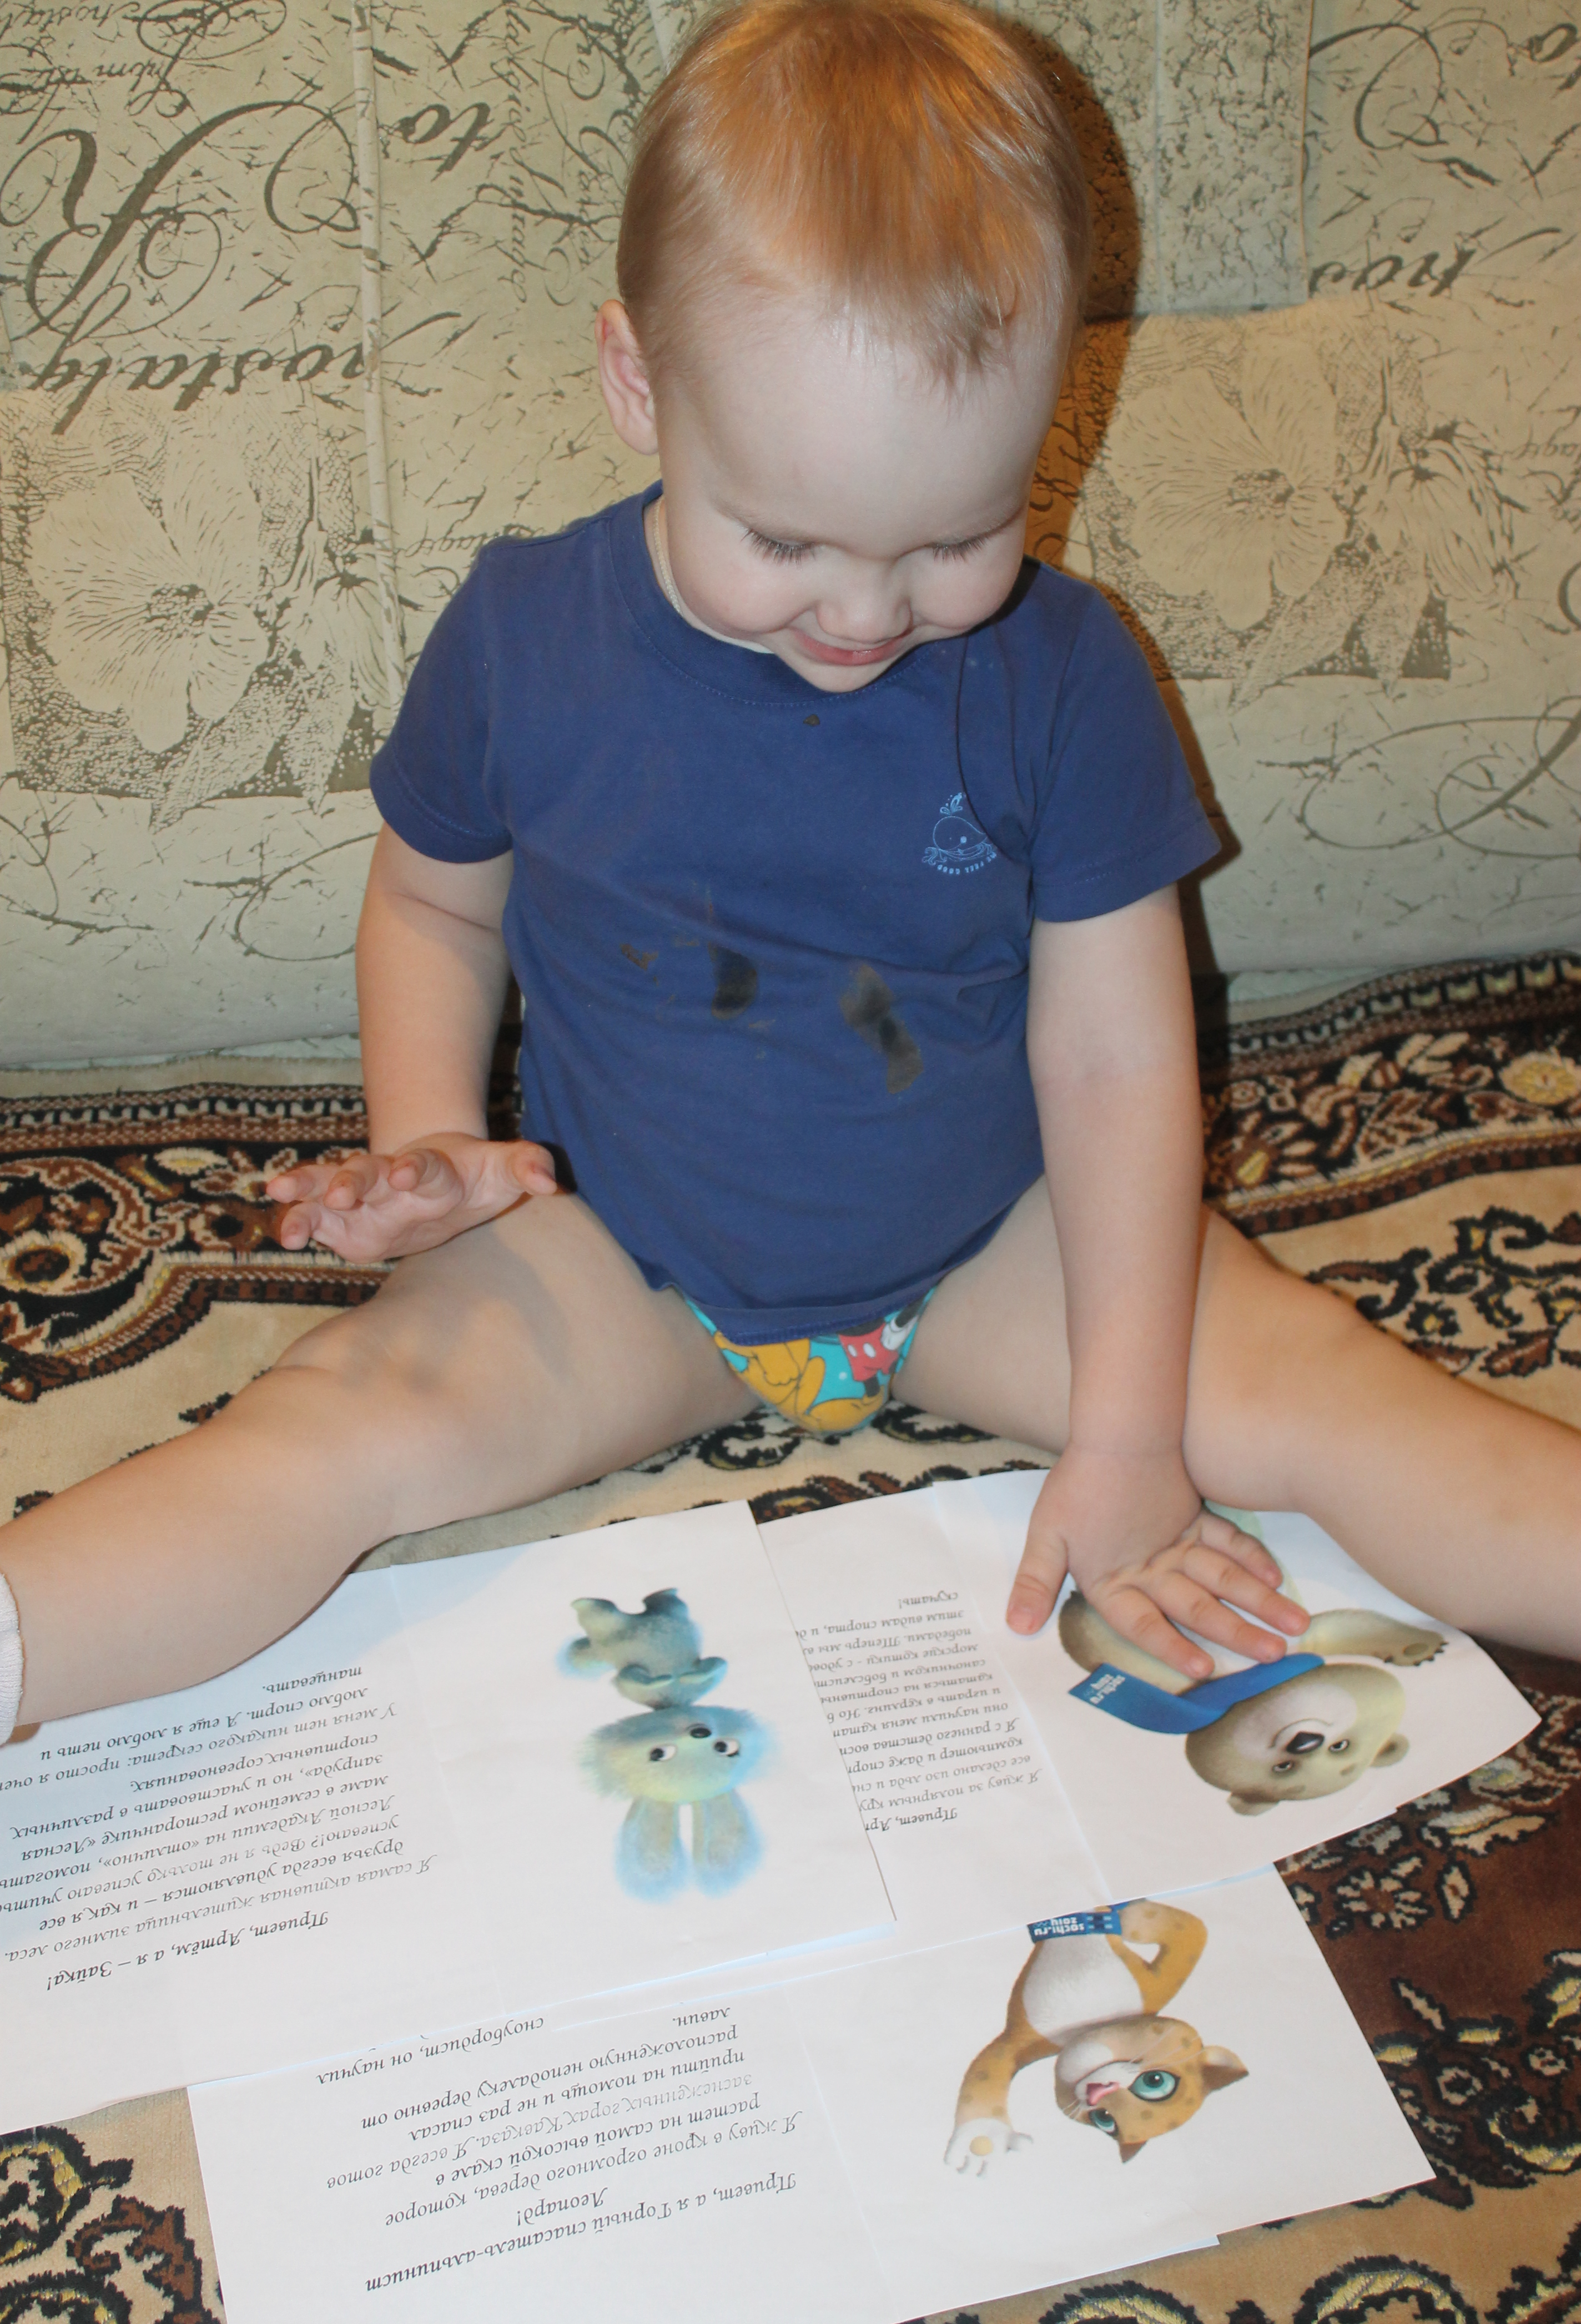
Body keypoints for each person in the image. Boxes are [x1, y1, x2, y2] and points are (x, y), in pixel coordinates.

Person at [3, 0, 1578, 1744]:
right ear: (637, 385)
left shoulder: (1069, 674)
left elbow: (1117, 1058)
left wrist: (1131, 1435)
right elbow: (437, 902)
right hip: (618, 1263)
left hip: (999, 1259)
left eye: (958, 537)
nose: (863, 613)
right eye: (786, 539)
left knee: (1352, 1406)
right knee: (328, 1433)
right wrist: (434, 1142)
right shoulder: (523, 637)